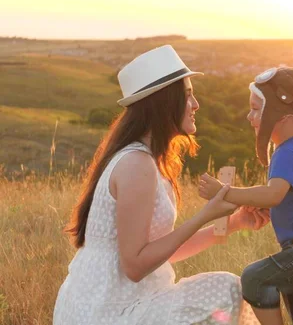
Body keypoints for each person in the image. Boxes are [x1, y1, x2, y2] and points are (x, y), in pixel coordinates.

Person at [53, 45, 268, 325]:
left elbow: (162, 253)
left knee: (226, 288)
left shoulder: (149, 161)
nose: (196, 104)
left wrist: (235, 222)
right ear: (164, 103)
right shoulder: (136, 164)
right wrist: (206, 214)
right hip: (106, 312)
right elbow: (135, 266)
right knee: (225, 288)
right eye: (188, 95)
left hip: (124, 301)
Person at [198, 67, 293, 325]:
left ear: (280, 113)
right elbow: (288, 199)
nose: (249, 116)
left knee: (255, 278)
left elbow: (273, 194)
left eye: (255, 109)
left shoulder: (288, 152)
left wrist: (225, 192)